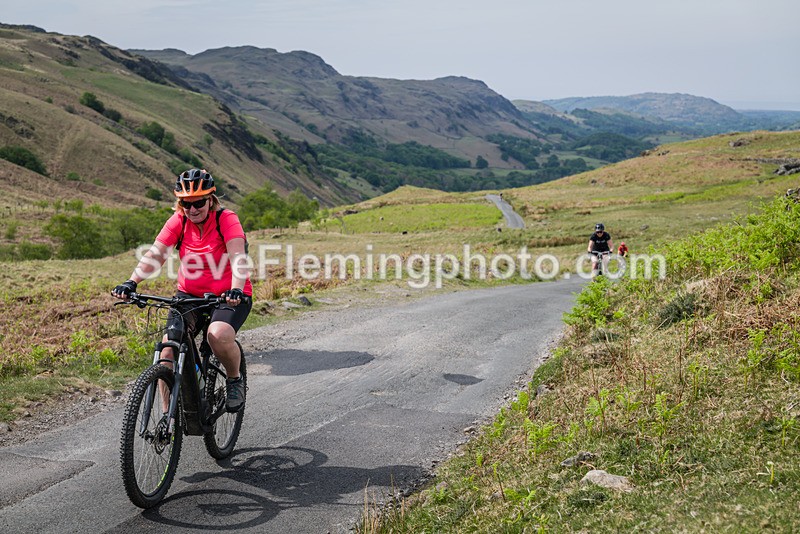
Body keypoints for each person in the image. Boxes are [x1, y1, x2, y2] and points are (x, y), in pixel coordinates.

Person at [112, 168, 252, 412]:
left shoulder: (226, 219)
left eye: (198, 203)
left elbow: (238, 257)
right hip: (188, 296)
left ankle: (234, 379)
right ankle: (169, 418)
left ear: (210, 200)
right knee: (168, 349)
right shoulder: (179, 220)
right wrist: (132, 281)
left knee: (217, 335)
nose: (192, 209)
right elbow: (156, 254)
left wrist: (236, 290)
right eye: (186, 204)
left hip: (227, 297)